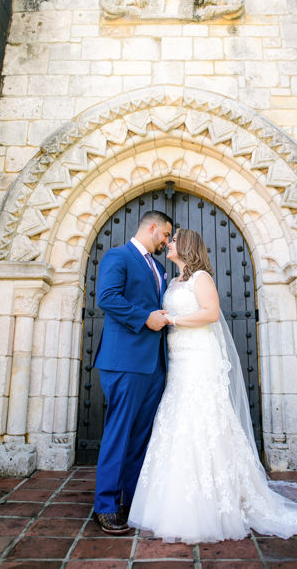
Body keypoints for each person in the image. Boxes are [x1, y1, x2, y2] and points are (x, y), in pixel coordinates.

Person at [128, 228, 297, 543]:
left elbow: (210, 313)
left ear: (186, 247)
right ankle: (175, 501)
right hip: (178, 358)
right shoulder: (173, 281)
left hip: (200, 357)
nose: (169, 243)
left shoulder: (201, 278)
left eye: (174, 240)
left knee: (203, 418)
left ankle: (219, 502)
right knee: (177, 420)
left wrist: (172, 320)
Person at [93, 210, 173, 534]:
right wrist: (145, 318)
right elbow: (107, 297)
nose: (167, 242)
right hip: (124, 362)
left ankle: (130, 502)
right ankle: (106, 507)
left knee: (140, 439)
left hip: (154, 366)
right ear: (152, 228)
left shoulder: (160, 268)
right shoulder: (118, 255)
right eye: (165, 235)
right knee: (118, 434)